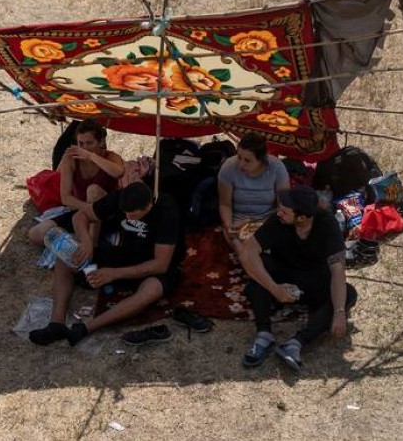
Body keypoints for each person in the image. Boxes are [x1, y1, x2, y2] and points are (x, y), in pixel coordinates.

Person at [29, 181, 185, 346]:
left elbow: (160, 264)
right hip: (123, 253)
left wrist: (113, 273)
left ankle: (86, 328)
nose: (127, 218)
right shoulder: (121, 197)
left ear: (148, 206)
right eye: (125, 213)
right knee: (67, 257)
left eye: (133, 215)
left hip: (152, 264)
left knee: (152, 290)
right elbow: (80, 216)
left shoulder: (167, 211)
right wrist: (87, 242)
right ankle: (56, 323)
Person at [237, 185, 357, 370]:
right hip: (282, 271)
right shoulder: (278, 221)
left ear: (301, 218)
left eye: (285, 211)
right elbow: (248, 252)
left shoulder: (327, 224)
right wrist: (274, 289)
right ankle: (264, 334)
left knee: (347, 294)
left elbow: (338, 269)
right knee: (256, 275)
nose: (279, 213)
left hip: (313, 278)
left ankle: (296, 343)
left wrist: (340, 312)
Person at [28, 119, 124, 246]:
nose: (84, 148)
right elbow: (66, 198)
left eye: (89, 143)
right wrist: (89, 208)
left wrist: (91, 156)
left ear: (101, 142)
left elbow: (118, 172)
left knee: (93, 190)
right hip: (82, 211)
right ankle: (82, 240)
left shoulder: (110, 157)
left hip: (107, 212)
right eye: (81, 143)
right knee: (36, 234)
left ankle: (91, 245)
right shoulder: (71, 158)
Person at [217, 132, 290, 247]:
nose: (241, 164)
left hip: (268, 219)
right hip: (239, 221)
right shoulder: (229, 167)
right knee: (241, 245)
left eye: (247, 160)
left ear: (261, 159)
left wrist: (263, 224)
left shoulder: (276, 168)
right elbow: (225, 205)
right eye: (239, 157)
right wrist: (229, 224)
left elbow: (284, 205)